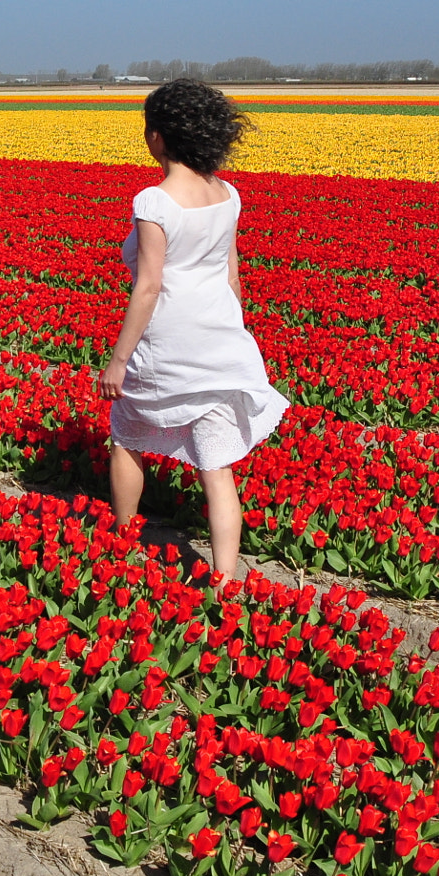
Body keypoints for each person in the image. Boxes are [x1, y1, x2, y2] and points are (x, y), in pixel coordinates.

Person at [100, 79, 291, 581]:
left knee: (127, 437)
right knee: (217, 466)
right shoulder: (227, 193)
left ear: (158, 137)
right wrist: (236, 334)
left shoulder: (155, 202)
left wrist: (119, 359)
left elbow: (148, 288)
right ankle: (226, 579)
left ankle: (122, 544)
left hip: (167, 343)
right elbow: (232, 275)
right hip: (219, 335)